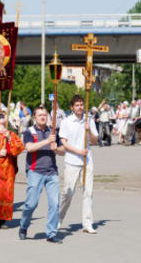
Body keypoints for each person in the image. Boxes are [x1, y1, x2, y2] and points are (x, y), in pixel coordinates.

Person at [19, 106, 65, 243]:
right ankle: (23, 226)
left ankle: (51, 233)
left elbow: (62, 150)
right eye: (40, 115)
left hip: (52, 172)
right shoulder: (29, 131)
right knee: (31, 204)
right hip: (35, 171)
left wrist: (56, 148)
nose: (43, 117)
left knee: (55, 204)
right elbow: (29, 148)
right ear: (34, 117)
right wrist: (47, 141)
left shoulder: (53, 132)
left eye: (45, 115)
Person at [58, 95, 98, 234]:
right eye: (77, 105)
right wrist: (78, 151)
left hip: (87, 161)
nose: (80, 107)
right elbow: (64, 142)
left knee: (88, 192)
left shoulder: (89, 120)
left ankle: (87, 223)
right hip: (72, 161)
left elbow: (95, 141)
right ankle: (57, 220)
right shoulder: (66, 121)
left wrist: (89, 131)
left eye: (81, 104)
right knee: (67, 193)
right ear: (72, 107)